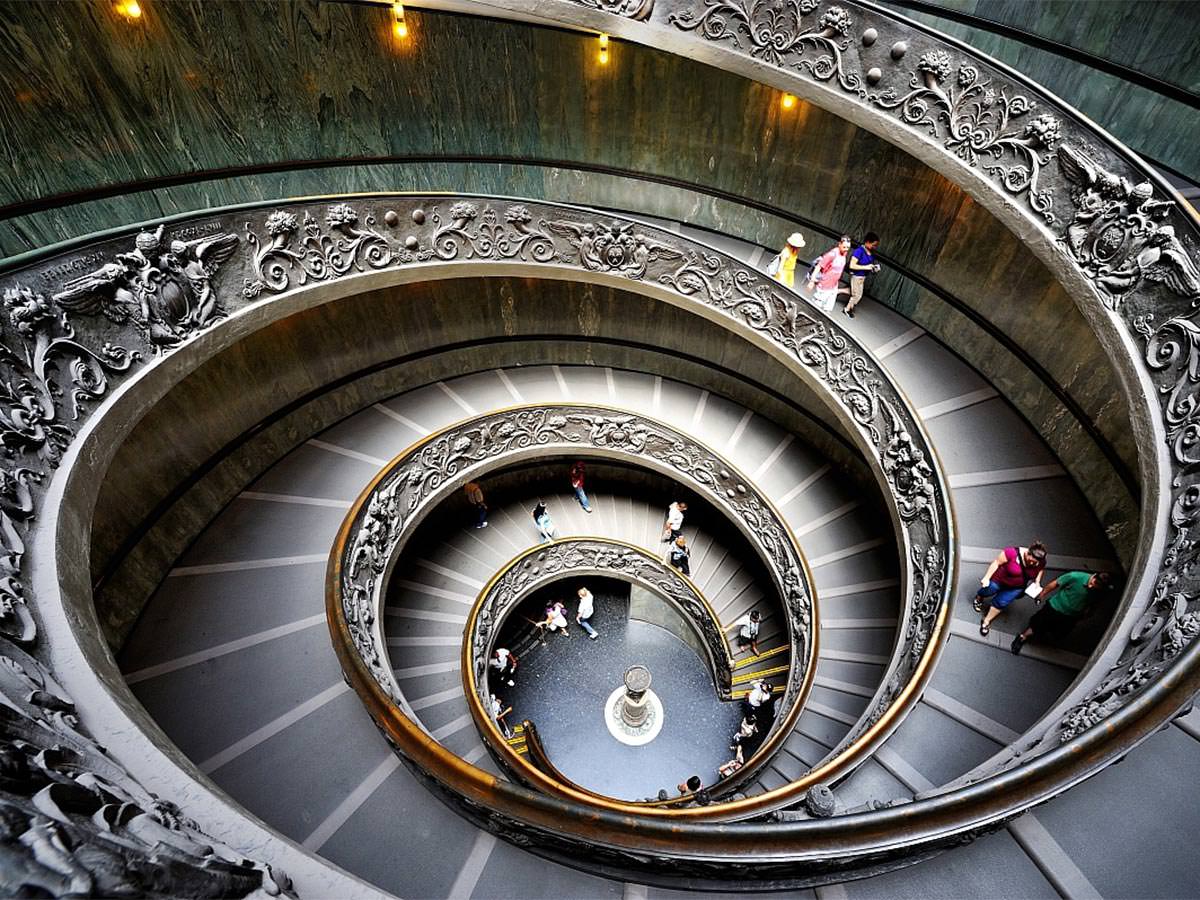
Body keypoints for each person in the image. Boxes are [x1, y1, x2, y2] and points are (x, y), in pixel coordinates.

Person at [1012, 571, 1112, 655]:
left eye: (1097, 586)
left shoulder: (1100, 592)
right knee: (1038, 623)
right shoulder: (1075, 576)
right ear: (1094, 575)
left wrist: (1088, 614)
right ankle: (1022, 637)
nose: (1091, 586)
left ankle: (1044, 635)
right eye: (1094, 582)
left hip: (1072, 616)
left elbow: (1094, 603)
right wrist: (1042, 594)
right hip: (1055, 607)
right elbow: (1056, 583)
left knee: (1060, 631)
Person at [974, 541, 1048, 636]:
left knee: (1001, 602)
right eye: (1031, 561)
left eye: (1035, 563)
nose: (1033, 564)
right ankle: (979, 597)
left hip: (1016, 587)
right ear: (1027, 553)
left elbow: (1040, 570)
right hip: (999, 580)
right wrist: (987, 577)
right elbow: (996, 563)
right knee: (989, 590)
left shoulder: (1040, 562)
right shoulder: (1011, 553)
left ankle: (986, 621)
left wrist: (1037, 581)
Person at [806, 235, 851, 314]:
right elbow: (819, 266)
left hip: (833, 286)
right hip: (824, 285)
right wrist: (812, 281)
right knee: (815, 309)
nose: (846, 249)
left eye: (848, 247)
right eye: (844, 247)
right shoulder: (832, 254)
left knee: (828, 309)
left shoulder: (844, 254)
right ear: (839, 244)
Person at [843, 232, 881, 318]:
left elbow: (868, 266)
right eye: (873, 245)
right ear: (867, 242)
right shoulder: (859, 251)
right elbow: (852, 265)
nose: (874, 247)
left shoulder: (871, 253)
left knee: (855, 293)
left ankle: (837, 291)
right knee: (856, 295)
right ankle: (847, 309)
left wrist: (873, 268)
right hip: (856, 276)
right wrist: (866, 267)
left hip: (863, 277)